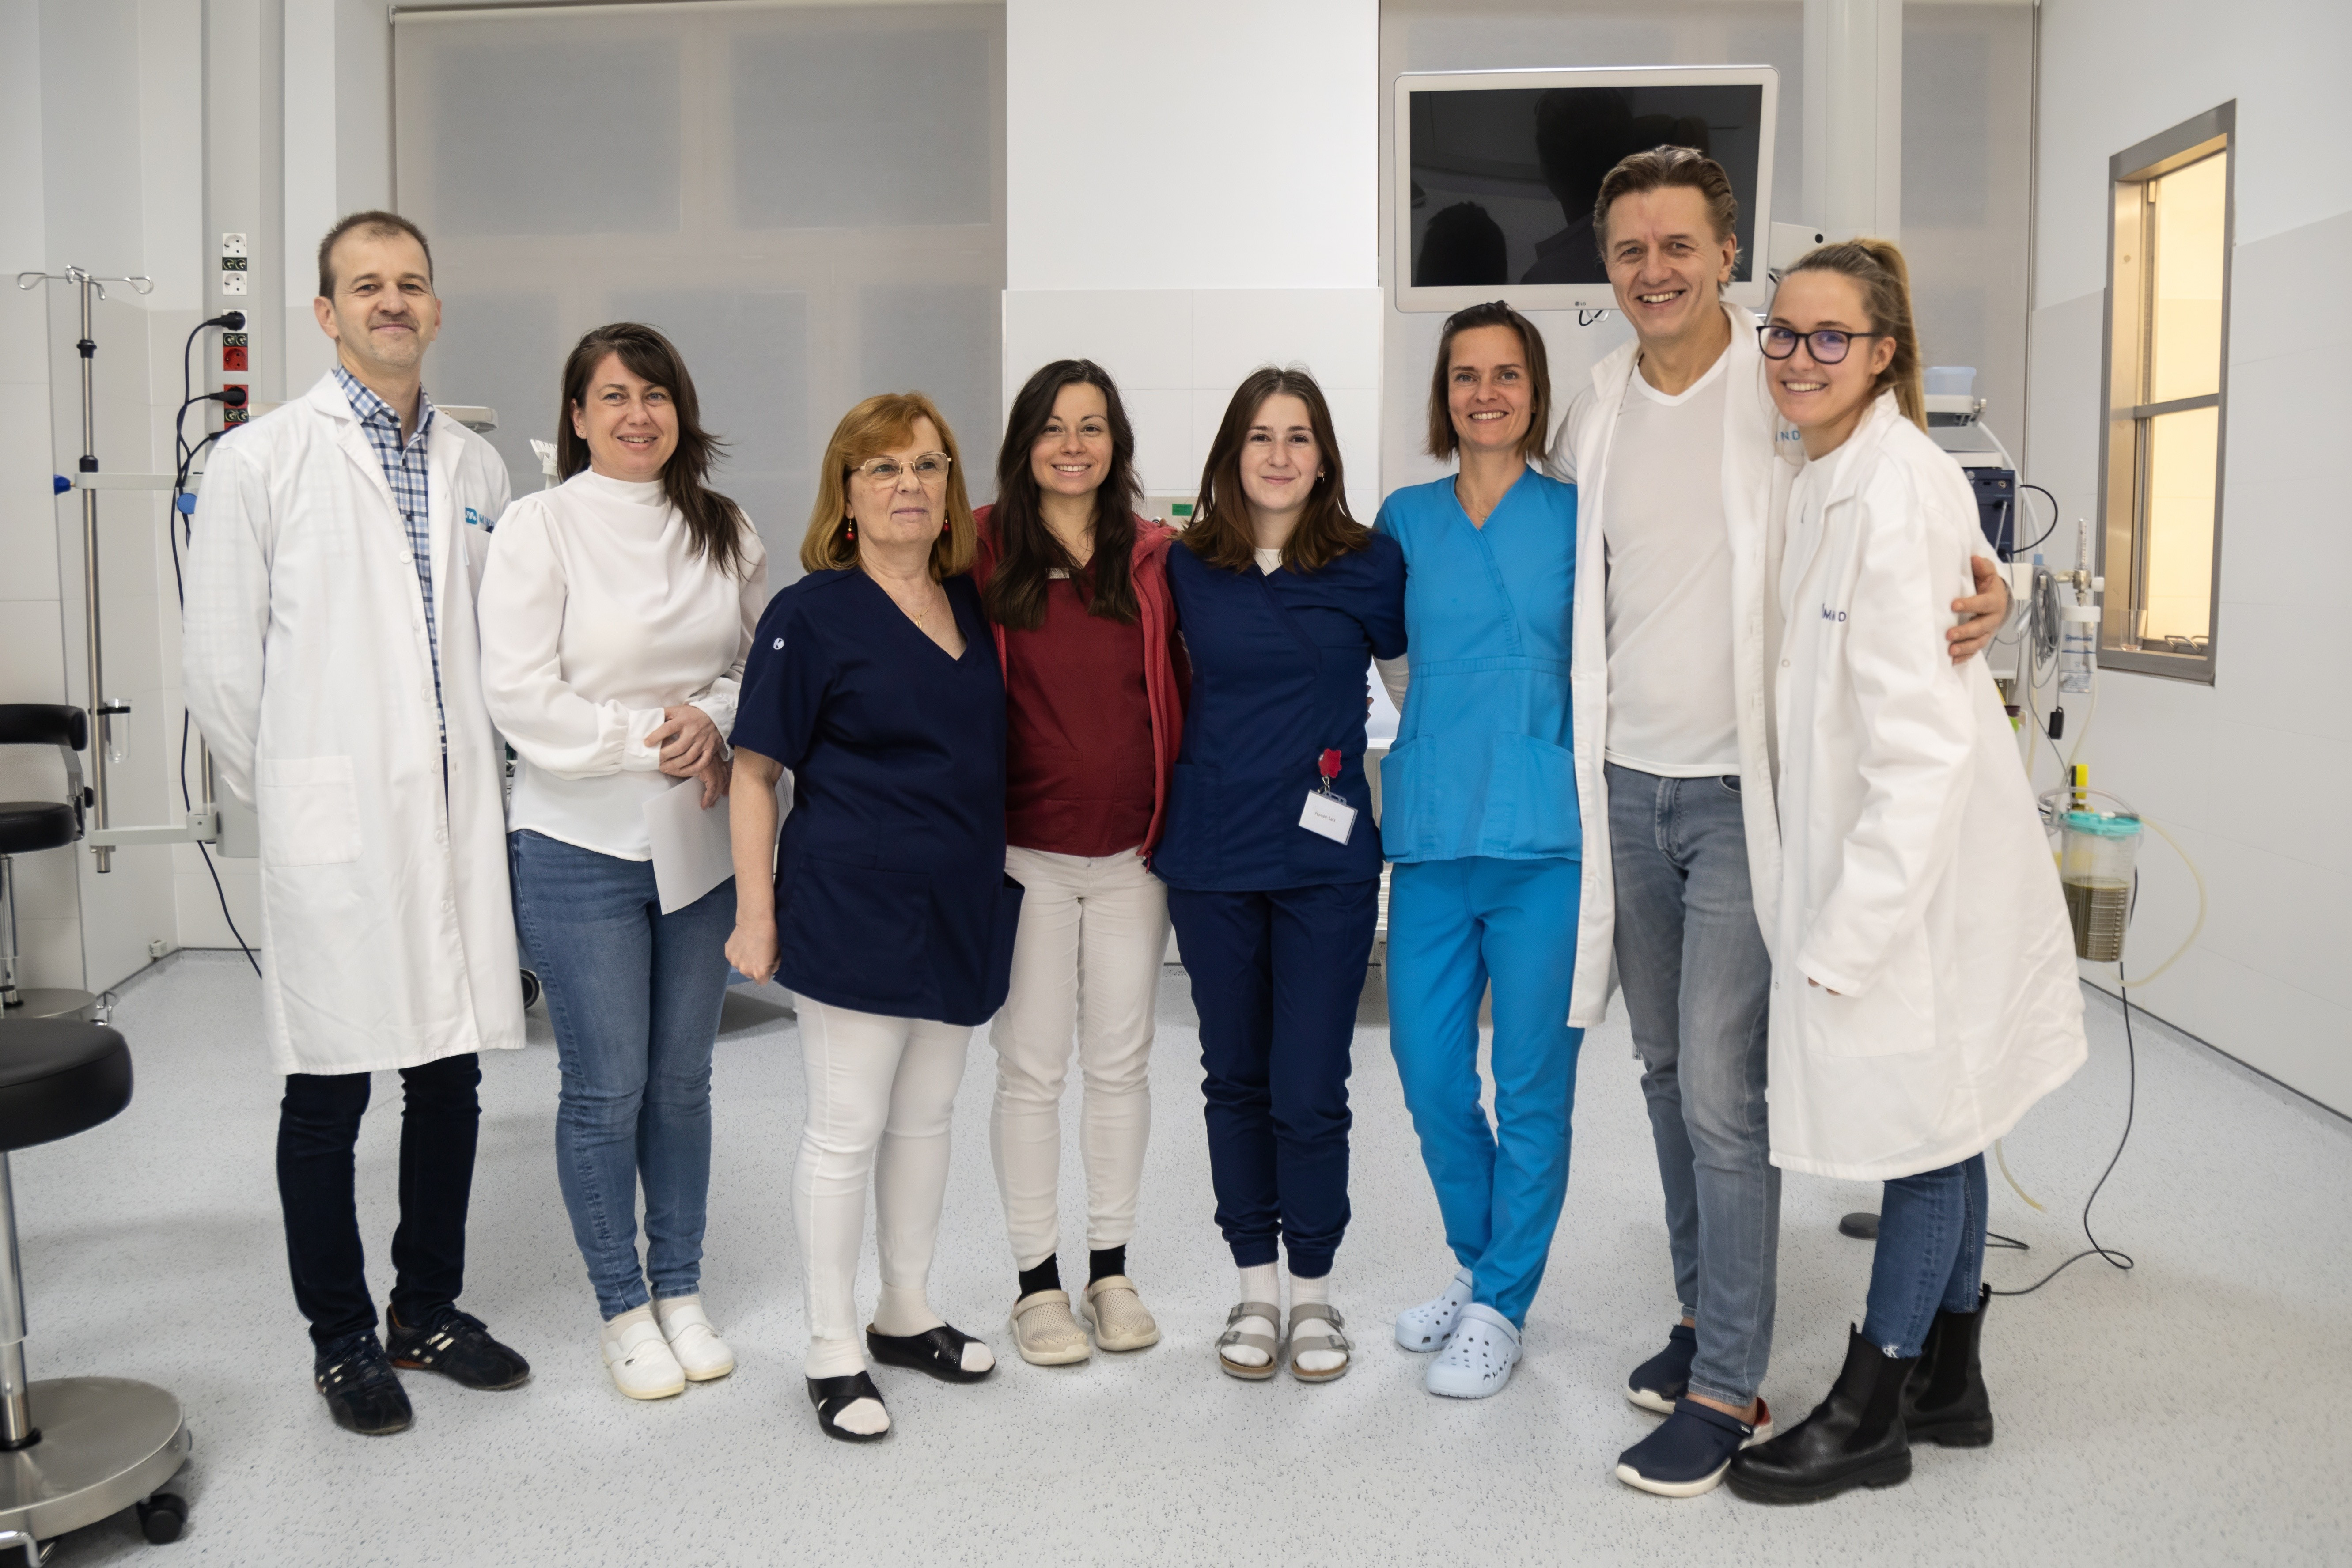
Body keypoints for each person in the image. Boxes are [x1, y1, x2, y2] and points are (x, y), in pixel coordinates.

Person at [1542, 147, 2015, 1497]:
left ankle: (1723, 1381)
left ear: (1724, 252)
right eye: (1628, 249)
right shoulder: (1596, 405)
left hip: (1744, 794)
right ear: (1605, 264)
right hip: (1626, 783)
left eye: (1676, 245)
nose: (1652, 271)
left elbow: (1913, 512)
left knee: (1717, 1089)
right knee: (1656, 1071)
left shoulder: (1783, 377)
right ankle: (1704, 1310)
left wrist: (1997, 587)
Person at [1726, 239, 2087, 1504]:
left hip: (1908, 875)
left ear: (1881, 353)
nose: (1797, 356)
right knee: (1951, 1109)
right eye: (1781, 332)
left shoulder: (1894, 486)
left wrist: (1846, 932)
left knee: (1923, 1133)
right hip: (1889, 859)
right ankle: (1952, 1377)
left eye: (1829, 336)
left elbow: (1920, 753)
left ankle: (1869, 1403)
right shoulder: (1824, 470)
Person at [183, 211, 530, 1435]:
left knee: (449, 1076)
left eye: (412, 283)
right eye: (367, 285)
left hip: (451, 814)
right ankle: (339, 1338)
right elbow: (221, 670)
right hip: (334, 816)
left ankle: (424, 1309)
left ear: (436, 308)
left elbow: (496, 647)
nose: (394, 301)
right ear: (327, 313)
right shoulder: (261, 459)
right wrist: (301, 793)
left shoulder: (478, 468)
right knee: (328, 1089)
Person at [724, 391, 1021, 1444]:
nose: (910, 485)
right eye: (884, 468)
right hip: (852, 904)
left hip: (959, 903)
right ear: (845, 493)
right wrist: (756, 913)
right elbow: (753, 772)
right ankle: (828, 1345)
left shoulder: (971, 605)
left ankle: (904, 1310)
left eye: (928, 466)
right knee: (845, 1127)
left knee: (927, 1116)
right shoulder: (810, 614)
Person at [478, 323, 766, 1401]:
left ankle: (680, 1288)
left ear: (679, 409)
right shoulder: (540, 526)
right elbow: (518, 690)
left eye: (654, 394)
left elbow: (755, 662)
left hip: (696, 839)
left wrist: (713, 716)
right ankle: (622, 1306)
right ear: (577, 416)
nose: (637, 414)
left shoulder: (724, 527)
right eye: (612, 396)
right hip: (575, 841)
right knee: (606, 1087)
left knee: (682, 1083)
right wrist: (651, 735)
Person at [1155, 367, 1407, 1385]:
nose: (1278, 454)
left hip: (1323, 863)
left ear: (1323, 455)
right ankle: (1253, 1288)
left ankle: (1312, 1292)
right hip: (1213, 853)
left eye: (1298, 435)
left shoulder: (1368, 563)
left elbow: (1415, 687)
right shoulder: (1182, 567)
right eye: (1259, 435)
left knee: (1308, 1085)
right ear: (1230, 452)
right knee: (1234, 1075)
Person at [1374, 302, 1583, 1400]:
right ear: (1442, 393)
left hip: (1546, 835)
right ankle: (1478, 1260)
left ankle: (1501, 1299)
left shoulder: (1577, 512)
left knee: (1532, 1082)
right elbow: (1383, 650)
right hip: (1432, 830)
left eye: (1506, 374)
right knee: (1427, 1071)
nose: (1485, 393)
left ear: (1534, 391)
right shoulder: (1403, 518)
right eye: (1465, 374)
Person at [974, 361, 1187, 1366]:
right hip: (1024, 855)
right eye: (1053, 427)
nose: (1072, 445)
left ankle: (1109, 1268)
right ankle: (1035, 1284)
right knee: (1030, 1067)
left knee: (1120, 1063)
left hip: (1132, 854)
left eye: (1092, 426)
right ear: (1024, 443)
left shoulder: (1153, 556)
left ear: (1116, 444)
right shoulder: (978, 546)